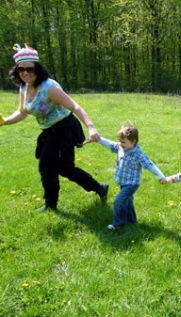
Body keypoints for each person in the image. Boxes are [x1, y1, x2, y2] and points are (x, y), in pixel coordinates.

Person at [0, 44, 108, 211]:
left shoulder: (49, 88)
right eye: (21, 69)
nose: (26, 73)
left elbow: (75, 107)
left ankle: (50, 204)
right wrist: (5, 121)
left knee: (46, 166)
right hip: (49, 130)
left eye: (30, 69)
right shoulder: (24, 87)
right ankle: (99, 188)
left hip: (64, 128)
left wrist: (91, 128)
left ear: (38, 69)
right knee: (65, 168)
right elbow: (23, 112)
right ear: (17, 71)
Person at [97, 123, 165, 230]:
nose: (120, 144)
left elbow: (149, 164)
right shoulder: (121, 147)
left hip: (132, 183)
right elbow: (110, 144)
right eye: (120, 141)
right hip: (123, 181)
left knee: (119, 201)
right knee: (128, 201)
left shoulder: (138, 154)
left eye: (123, 142)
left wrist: (160, 175)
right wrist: (98, 139)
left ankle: (119, 223)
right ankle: (132, 220)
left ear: (133, 142)